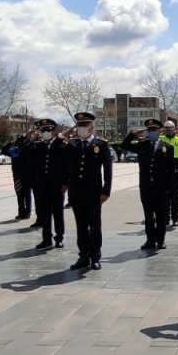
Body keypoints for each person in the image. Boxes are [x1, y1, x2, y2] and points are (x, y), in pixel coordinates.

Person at [121, 118, 178, 251]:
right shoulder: (142, 145)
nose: (152, 132)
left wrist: (169, 187)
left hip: (161, 187)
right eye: (150, 130)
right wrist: (133, 134)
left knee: (161, 215)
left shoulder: (167, 147)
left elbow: (170, 169)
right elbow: (124, 146)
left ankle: (161, 240)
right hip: (146, 187)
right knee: (148, 215)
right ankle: (150, 240)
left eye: (155, 130)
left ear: (160, 131)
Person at [66, 111, 112, 270]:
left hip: (94, 194)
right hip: (77, 193)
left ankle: (95, 257)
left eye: (84, 125)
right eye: (79, 125)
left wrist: (106, 191)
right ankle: (83, 257)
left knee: (94, 225)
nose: (81, 128)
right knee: (81, 226)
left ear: (91, 127)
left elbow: (108, 170)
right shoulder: (72, 145)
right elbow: (54, 153)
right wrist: (61, 136)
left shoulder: (100, 145)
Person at [29, 120, 67, 250]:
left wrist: (65, 183)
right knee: (44, 213)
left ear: (54, 131)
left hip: (57, 185)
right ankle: (46, 239)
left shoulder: (61, 145)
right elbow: (23, 152)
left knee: (58, 213)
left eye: (48, 131)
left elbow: (66, 166)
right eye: (43, 131)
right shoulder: (37, 146)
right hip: (42, 186)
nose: (45, 133)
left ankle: (59, 238)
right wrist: (31, 139)